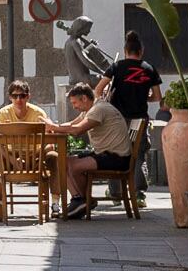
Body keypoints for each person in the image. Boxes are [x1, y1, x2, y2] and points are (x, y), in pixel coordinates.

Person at [43, 81, 133, 220]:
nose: (74, 106)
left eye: (75, 103)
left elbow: (78, 130)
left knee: (71, 165)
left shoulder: (99, 109)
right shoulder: (90, 110)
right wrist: (53, 126)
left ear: (84, 98)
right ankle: (81, 199)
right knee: (63, 161)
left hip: (116, 158)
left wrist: (54, 127)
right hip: (104, 154)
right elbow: (72, 124)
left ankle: (81, 200)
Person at [105, 31, 163, 122]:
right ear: (141, 51)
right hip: (140, 119)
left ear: (125, 51)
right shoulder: (150, 69)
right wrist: (143, 97)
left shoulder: (116, 66)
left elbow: (98, 90)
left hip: (118, 119)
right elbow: (157, 97)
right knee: (140, 136)